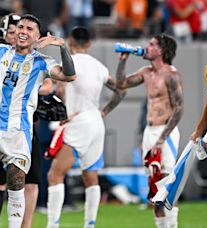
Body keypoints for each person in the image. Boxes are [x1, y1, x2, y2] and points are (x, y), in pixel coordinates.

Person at [0, 14, 76, 227]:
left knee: (16, 184)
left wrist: (62, 46)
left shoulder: (42, 62)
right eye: (21, 27)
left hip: (19, 133)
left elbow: (69, 75)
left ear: (38, 36)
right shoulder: (0, 51)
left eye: (30, 29)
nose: (23, 31)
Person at [46, 26, 126, 228]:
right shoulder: (99, 67)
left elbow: (61, 91)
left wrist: (63, 113)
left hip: (77, 121)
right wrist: (105, 111)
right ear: (90, 43)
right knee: (90, 176)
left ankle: (53, 224)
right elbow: (120, 90)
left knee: (55, 174)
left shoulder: (69, 64)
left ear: (70, 41)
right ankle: (90, 224)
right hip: (96, 122)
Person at [115, 33, 183, 228]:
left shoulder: (171, 74)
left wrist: (163, 137)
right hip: (149, 131)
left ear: (160, 50)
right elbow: (121, 84)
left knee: (167, 184)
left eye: (152, 44)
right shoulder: (146, 72)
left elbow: (179, 108)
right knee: (153, 185)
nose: (147, 46)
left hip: (166, 132)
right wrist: (122, 61)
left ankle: (173, 225)